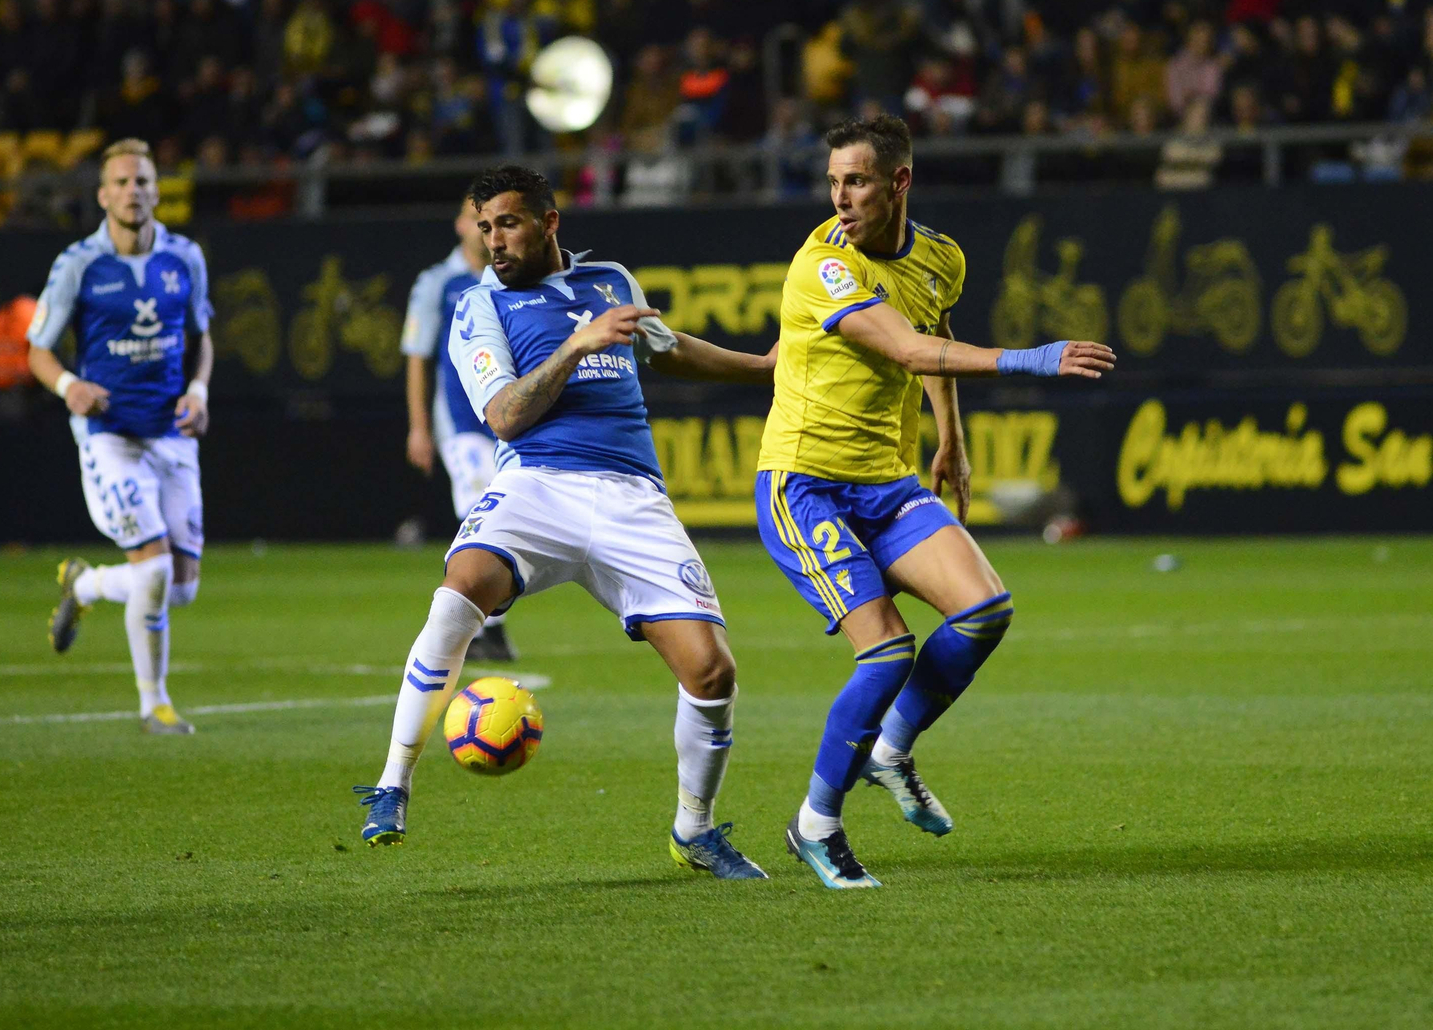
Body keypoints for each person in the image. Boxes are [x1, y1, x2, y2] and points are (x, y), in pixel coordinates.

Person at [356, 165, 776, 880]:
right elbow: (505, 416)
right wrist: (578, 345)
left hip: (632, 496)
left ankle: (695, 830)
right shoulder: (477, 307)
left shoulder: (611, 280)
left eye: (508, 223)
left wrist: (765, 367)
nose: (494, 241)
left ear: (549, 222)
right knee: (460, 588)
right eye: (485, 227)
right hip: (537, 485)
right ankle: (392, 784)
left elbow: (669, 349)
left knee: (712, 672)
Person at [760, 115, 1114, 888]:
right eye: (833, 182)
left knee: (985, 610)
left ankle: (889, 750)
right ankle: (815, 824)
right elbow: (908, 347)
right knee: (887, 650)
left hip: (886, 483)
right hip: (804, 486)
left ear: (899, 183)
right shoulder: (823, 264)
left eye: (856, 181)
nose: (840, 198)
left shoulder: (940, 257)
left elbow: (935, 331)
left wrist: (950, 436)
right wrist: (1033, 358)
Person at [30, 138, 214, 736]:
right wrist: (68, 386)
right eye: (122, 182)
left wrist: (198, 392)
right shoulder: (79, 264)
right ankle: (153, 705)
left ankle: (86, 584)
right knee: (154, 572)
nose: (133, 191)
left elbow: (201, 338)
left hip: (172, 434)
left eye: (143, 181)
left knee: (180, 589)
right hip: (109, 434)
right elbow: (37, 349)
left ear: (157, 192)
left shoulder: (184, 257)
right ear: (103, 195)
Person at [401, 198, 515, 661]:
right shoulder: (438, 283)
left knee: (503, 512)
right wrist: (419, 428)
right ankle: (487, 627)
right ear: (460, 224)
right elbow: (418, 356)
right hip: (460, 419)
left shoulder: (508, 277)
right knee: (479, 507)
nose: (483, 228)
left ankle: (489, 623)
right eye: (476, 219)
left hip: (508, 416)